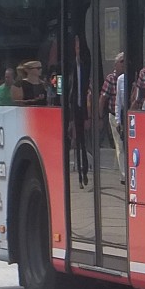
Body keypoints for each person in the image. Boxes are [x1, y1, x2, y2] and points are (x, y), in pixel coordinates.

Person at [66, 34, 91, 189]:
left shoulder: (85, 64)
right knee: (76, 141)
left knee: (83, 140)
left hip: (83, 107)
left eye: (79, 46)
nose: (77, 49)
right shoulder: (70, 66)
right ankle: (80, 174)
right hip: (73, 107)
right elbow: (66, 88)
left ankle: (85, 171)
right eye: (75, 46)